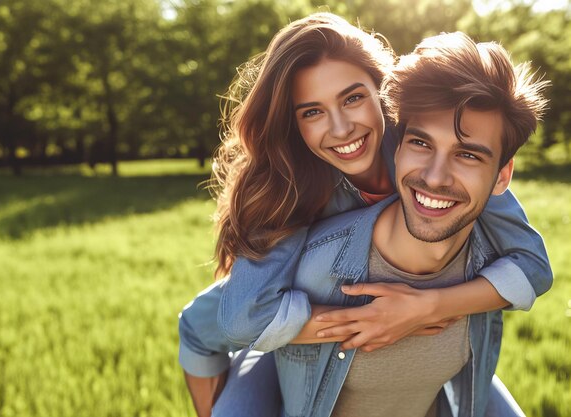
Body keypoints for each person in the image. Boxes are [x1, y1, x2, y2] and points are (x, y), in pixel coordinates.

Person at [177, 13, 551, 417]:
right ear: (294, 124)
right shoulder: (293, 187)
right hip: (287, 319)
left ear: (382, 92)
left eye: (353, 98)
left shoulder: (433, 145)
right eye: (312, 112)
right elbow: (243, 317)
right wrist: (371, 318)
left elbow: (532, 265)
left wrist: (426, 307)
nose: (340, 129)